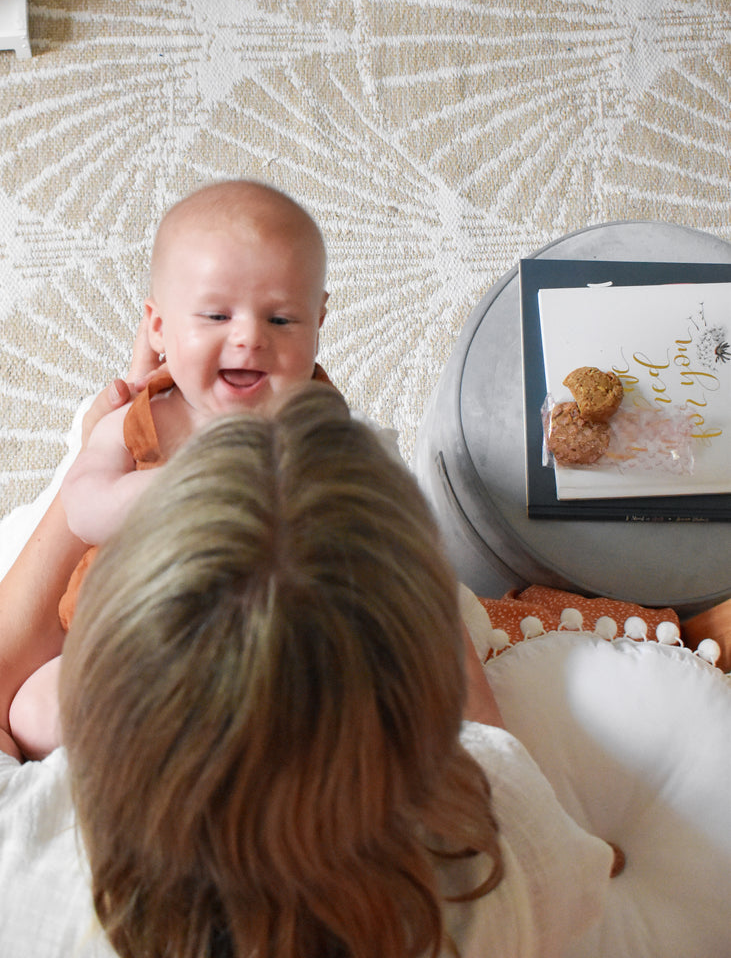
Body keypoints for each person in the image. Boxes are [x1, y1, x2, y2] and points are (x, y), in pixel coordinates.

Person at [0, 383, 613, 958]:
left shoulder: (28, 864)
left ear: (105, 696)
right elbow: (483, 728)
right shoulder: (502, 842)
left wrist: (81, 490)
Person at [6, 178, 330, 759]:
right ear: (158, 328)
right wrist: (190, 486)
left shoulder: (319, 432)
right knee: (35, 711)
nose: (249, 337)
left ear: (320, 319)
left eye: (281, 321)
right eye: (215, 315)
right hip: (129, 647)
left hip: (261, 652)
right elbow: (82, 506)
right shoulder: (139, 421)